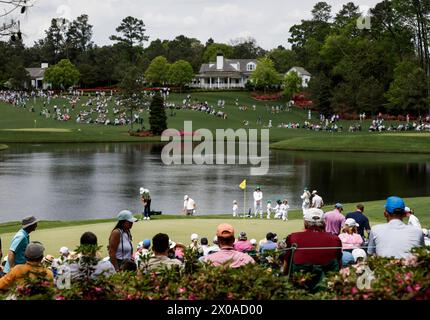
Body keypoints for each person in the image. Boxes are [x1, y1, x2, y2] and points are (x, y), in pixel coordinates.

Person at [283, 208, 343, 293]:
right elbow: (340, 265)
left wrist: (284, 279)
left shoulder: (293, 237)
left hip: (300, 290)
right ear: (323, 223)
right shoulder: (335, 239)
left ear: (305, 222)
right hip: (327, 291)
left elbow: (286, 264)